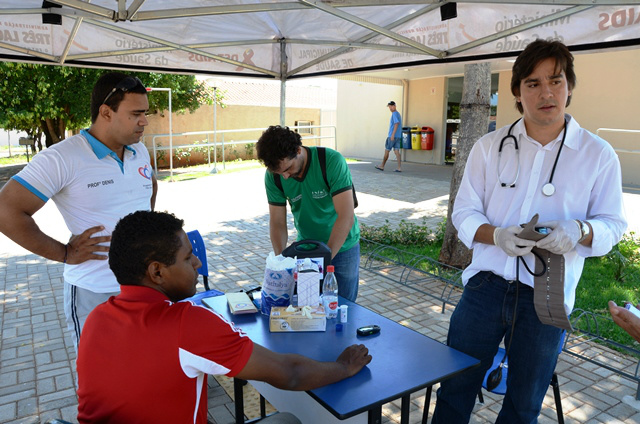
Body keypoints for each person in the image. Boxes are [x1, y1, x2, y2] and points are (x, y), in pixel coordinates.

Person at [432, 40, 627, 423]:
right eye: (533, 83)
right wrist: (497, 235)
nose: (546, 92)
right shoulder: (490, 146)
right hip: (485, 288)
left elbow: (614, 224)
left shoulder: (597, 154)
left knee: (524, 405)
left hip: (548, 297)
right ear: (518, 93)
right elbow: (464, 211)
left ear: (570, 86)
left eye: (555, 80)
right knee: (455, 389)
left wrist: (580, 229)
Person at [76, 210, 372, 423]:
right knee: (288, 421)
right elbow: (290, 373)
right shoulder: (187, 322)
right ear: (157, 272)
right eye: (187, 256)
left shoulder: (96, 318)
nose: (197, 262)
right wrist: (342, 368)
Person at [0, 72, 157, 352]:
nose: (144, 121)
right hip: (94, 291)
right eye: (136, 113)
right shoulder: (63, 157)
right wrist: (64, 253)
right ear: (106, 112)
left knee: (145, 364)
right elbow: (6, 210)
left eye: (145, 112)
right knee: (102, 374)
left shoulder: (139, 151)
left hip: (145, 285)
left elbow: (149, 187)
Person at [256, 125, 361, 301]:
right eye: (279, 172)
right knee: (308, 306)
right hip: (306, 249)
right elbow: (277, 223)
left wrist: (324, 261)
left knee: (344, 308)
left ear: (298, 150)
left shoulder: (331, 162)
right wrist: (283, 262)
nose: (286, 177)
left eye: (288, 168)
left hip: (343, 248)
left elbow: (346, 216)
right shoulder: (274, 176)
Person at [375, 100, 403, 172]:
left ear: (394, 106)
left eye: (391, 106)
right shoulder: (398, 114)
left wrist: (392, 135)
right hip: (398, 136)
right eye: (389, 107)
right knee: (396, 151)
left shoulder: (394, 114)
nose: (390, 108)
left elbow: (396, 123)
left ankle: (382, 166)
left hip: (392, 136)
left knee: (387, 150)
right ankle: (399, 167)